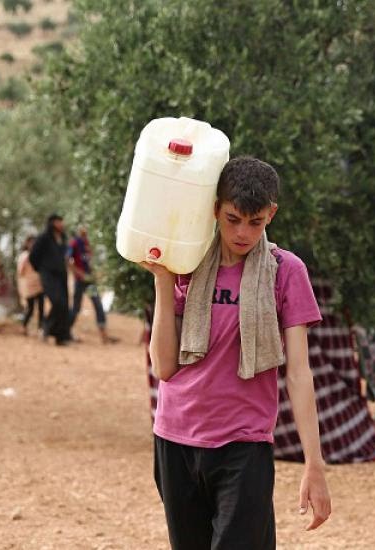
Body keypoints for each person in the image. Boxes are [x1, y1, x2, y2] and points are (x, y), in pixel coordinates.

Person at [140, 157, 330, 547]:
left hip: (244, 445)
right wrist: (163, 281)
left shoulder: (285, 271)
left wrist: (314, 463)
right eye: (232, 219)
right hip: (175, 440)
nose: (243, 233)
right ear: (215, 209)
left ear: (271, 214)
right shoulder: (186, 263)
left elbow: (298, 373)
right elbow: (163, 367)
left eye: (255, 222)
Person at [29, 214, 74, 346]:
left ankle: (60, 336)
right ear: (52, 223)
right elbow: (33, 256)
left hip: (61, 275)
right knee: (57, 301)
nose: (61, 224)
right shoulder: (43, 238)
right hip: (48, 275)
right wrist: (41, 269)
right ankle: (46, 326)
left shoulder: (62, 238)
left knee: (64, 305)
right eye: (58, 221)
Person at [69, 226, 118, 344]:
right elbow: (67, 259)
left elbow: (90, 260)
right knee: (76, 307)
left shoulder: (87, 243)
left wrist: (93, 272)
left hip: (89, 281)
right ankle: (66, 332)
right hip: (80, 281)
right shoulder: (74, 243)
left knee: (97, 304)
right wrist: (79, 273)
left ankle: (104, 335)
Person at [16, 236, 44, 337]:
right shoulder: (24, 256)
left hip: (39, 284)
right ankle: (24, 326)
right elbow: (20, 271)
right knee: (30, 308)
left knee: (41, 308)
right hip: (29, 285)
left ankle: (41, 328)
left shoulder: (38, 255)